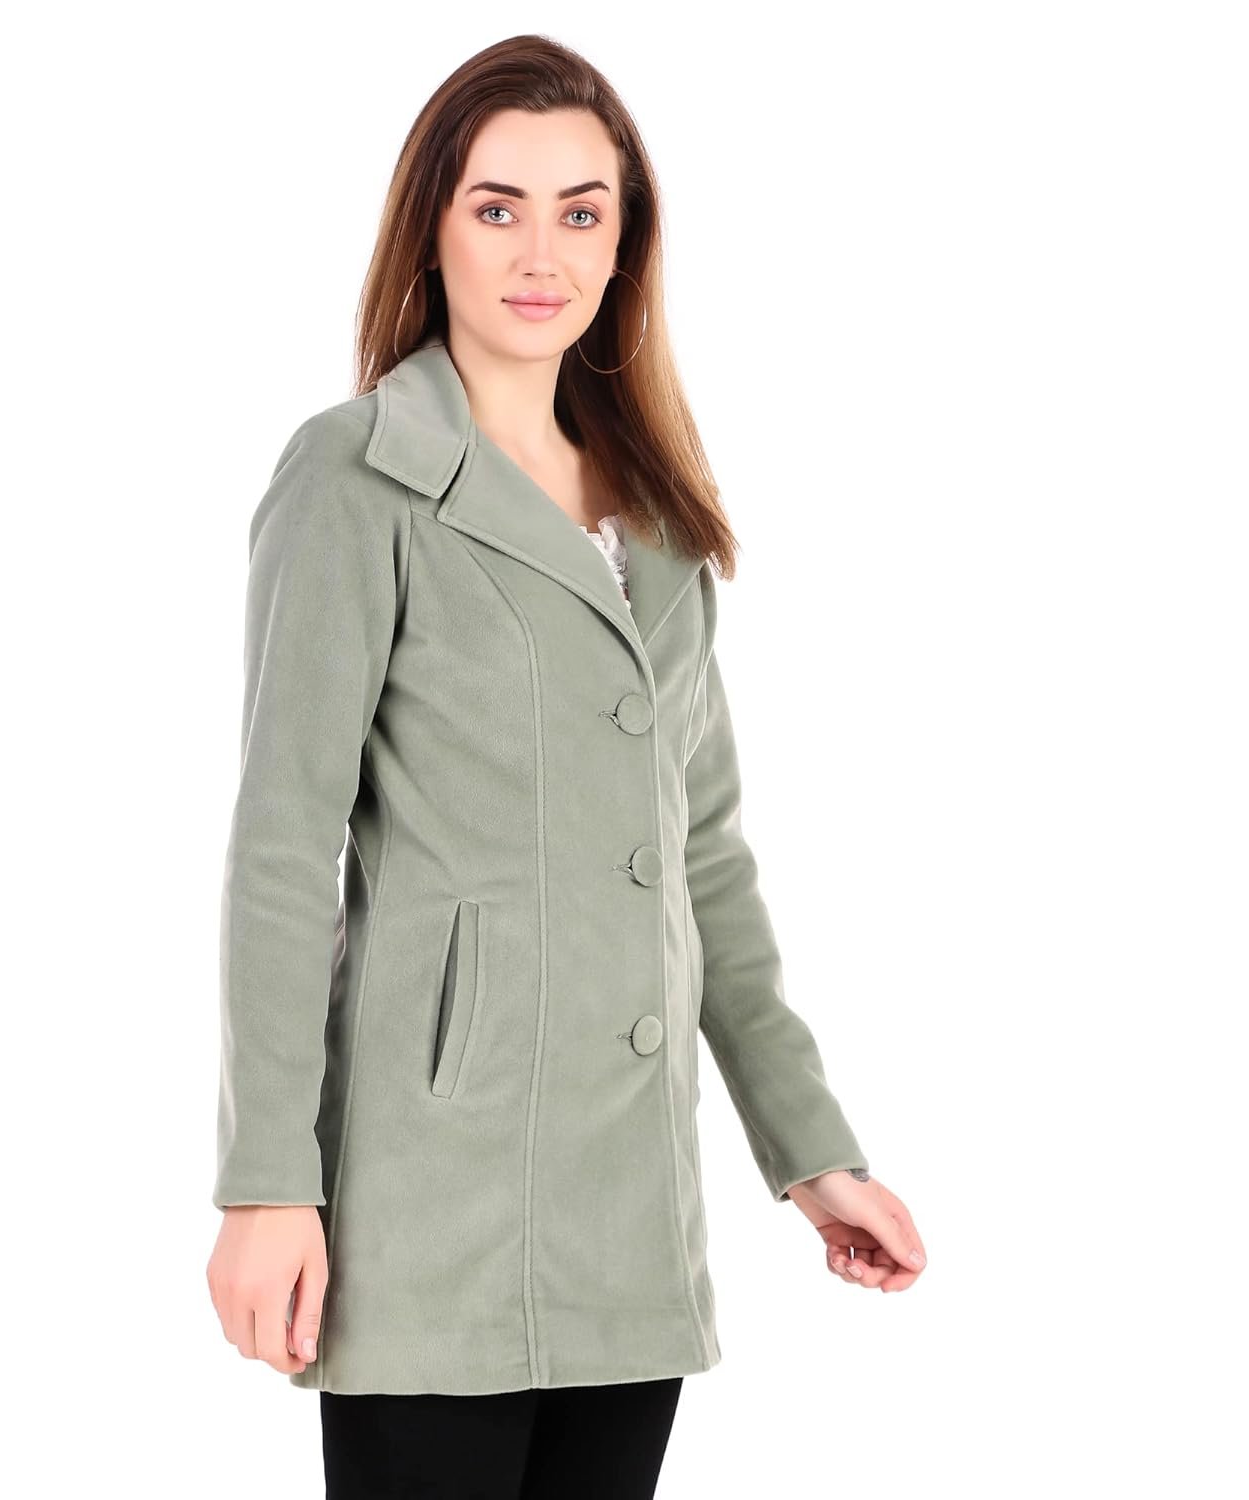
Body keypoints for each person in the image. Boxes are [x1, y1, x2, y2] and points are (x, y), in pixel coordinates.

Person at [205, 33, 927, 1499]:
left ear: (623, 243)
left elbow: (703, 859)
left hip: (628, 1207)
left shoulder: (656, 515)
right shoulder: (355, 475)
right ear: (433, 228)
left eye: (581, 211)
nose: (542, 252)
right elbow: (284, 846)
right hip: (433, 1201)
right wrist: (266, 1182)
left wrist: (811, 1151)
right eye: (499, 206)